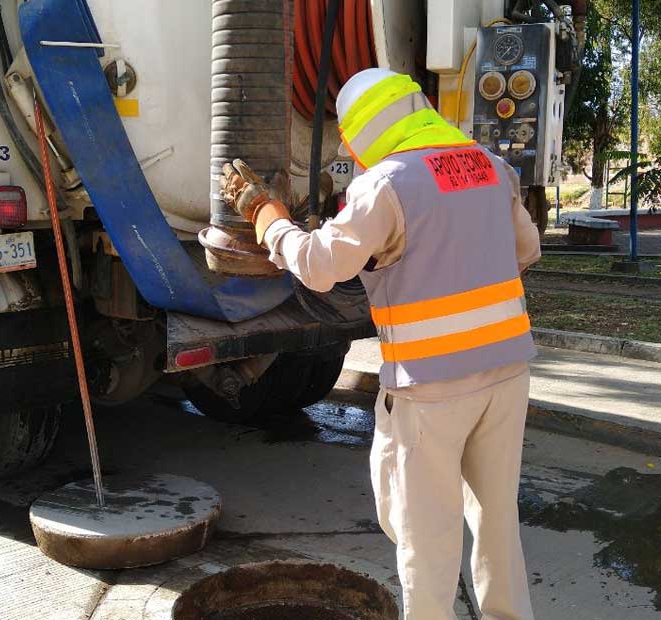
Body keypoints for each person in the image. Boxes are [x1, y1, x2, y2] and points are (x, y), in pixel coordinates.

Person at [220, 67, 541, 619]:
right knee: (496, 522)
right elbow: (525, 250)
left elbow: (319, 266)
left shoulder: (387, 184)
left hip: (431, 388)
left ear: (364, 132)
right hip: (508, 373)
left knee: (424, 537)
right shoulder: (490, 167)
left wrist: (265, 215)